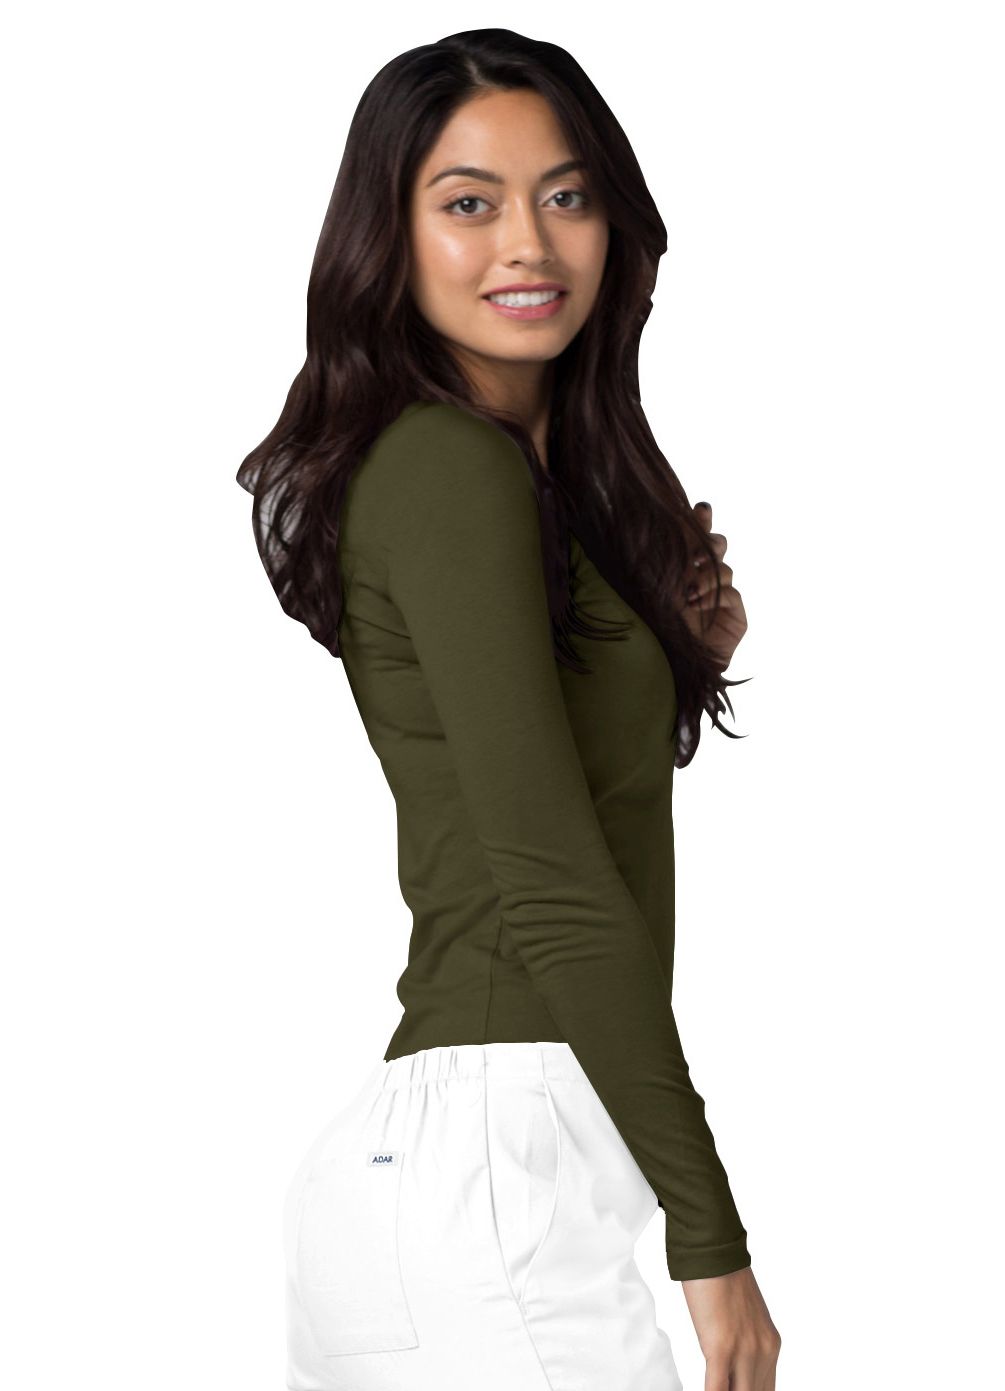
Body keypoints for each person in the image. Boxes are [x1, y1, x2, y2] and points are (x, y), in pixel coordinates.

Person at [237, 27, 781, 1391]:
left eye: (567, 194)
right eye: (469, 202)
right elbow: (548, 878)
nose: (527, 244)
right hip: (497, 1163)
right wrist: (710, 1238)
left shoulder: (507, 483)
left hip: (449, 1169)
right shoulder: (446, 463)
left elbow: (546, 805)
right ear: (390, 236)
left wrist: (673, 655)